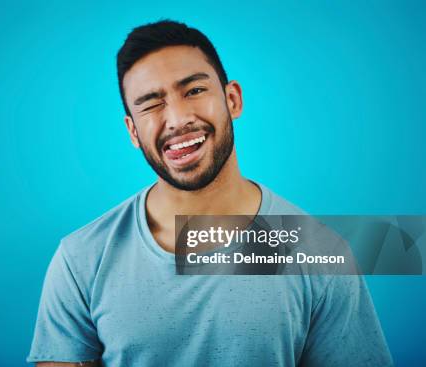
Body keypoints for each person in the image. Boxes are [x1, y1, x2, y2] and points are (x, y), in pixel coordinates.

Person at [27, 20, 393, 366]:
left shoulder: (321, 254)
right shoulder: (80, 260)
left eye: (195, 90)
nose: (177, 119)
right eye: (152, 104)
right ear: (133, 133)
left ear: (232, 99)